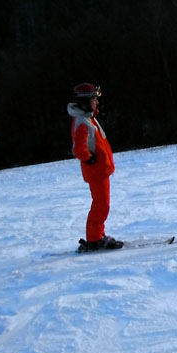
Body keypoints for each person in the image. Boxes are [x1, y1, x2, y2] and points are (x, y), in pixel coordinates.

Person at [67, 83, 123, 251]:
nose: (96, 102)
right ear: (85, 102)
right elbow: (79, 148)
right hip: (96, 172)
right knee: (101, 205)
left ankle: (97, 235)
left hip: (100, 170)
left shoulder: (88, 118)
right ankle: (94, 239)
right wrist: (89, 159)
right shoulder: (83, 122)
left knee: (102, 205)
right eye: (94, 99)